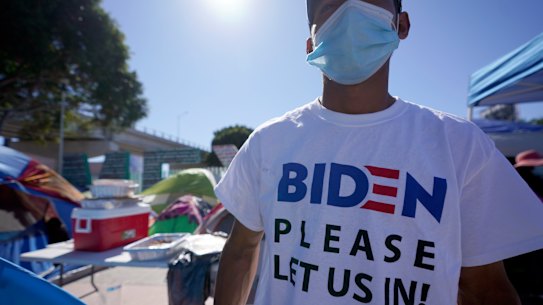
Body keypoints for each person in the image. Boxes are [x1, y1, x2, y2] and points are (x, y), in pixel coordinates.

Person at [213, 1, 543, 304]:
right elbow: (241, 250)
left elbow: (483, 286)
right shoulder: (268, 142)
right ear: (311, 44)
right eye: (331, 4)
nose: (350, 11)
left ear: (401, 25)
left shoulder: (461, 146)